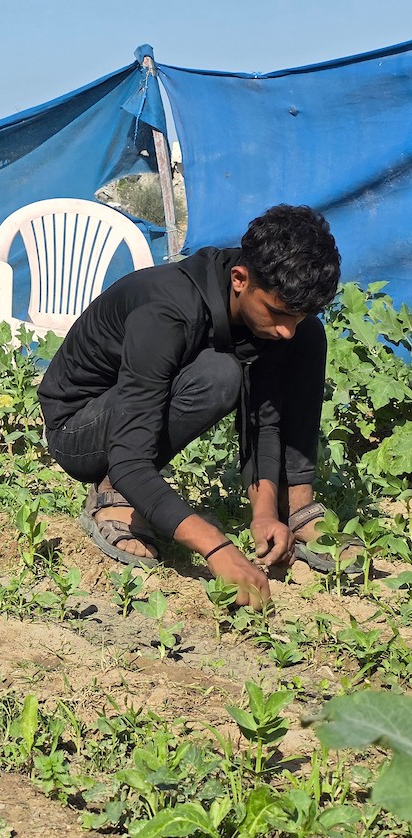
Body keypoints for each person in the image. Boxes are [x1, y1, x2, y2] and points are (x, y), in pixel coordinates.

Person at [38, 204, 345, 609]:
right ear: (240, 279)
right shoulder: (168, 310)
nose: (285, 328)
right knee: (219, 375)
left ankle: (296, 507)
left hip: (132, 418)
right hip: (81, 429)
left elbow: (264, 417)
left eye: (298, 313)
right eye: (278, 312)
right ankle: (114, 495)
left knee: (307, 337)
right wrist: (218, 549)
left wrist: (264, 512)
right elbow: (131, 457)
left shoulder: (267, 318)